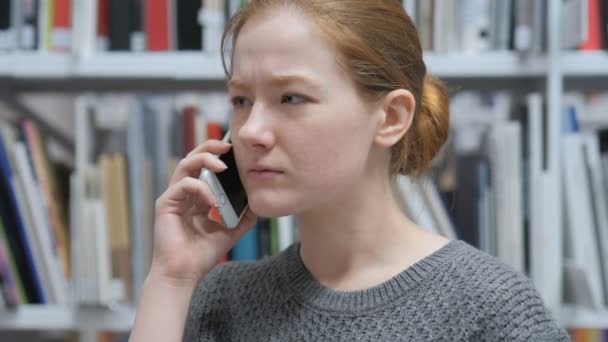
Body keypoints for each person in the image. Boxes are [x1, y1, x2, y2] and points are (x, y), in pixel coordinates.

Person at [129, 1, 570, 341]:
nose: (251, 132)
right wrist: (172, 276)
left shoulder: (487, 305)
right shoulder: (224, 300)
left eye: (291, 99)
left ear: (392, 117)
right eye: (241, 100)